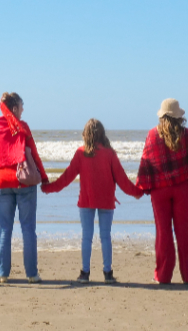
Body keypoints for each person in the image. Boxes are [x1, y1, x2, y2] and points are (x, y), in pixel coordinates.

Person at [45, 118, 141, 283]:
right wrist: (137, 192)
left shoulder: (81, 153)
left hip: (87, 201)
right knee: (105, 236)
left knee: (86, 237)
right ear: (102, 134)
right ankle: (107, 273)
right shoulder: (110, 153)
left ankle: (85, 273)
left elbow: (67, 177)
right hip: (106, 200)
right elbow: (123, 180)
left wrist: (48, 187)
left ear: (86, 135)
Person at [135, 100, 188, 285]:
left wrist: (140, 187)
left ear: (162, 116)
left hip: (159, 191)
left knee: (163, 233)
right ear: (180, 117)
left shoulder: (152, 135)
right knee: (185, 231)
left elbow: (146, 163)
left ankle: (162, 276)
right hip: (181, 189)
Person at [0, 93, 49, 283]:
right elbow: (33, 154)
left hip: (1, 182)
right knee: (28, 228)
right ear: (14, 108)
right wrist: (43, 178)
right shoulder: (21, 127)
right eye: (21, 106)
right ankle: (32, 274)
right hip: (23, 181)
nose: (23, 109)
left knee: (5, 228)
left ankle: (3, 274)